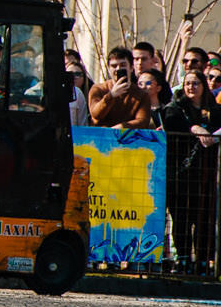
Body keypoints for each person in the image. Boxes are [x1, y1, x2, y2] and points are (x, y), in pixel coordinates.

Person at [159, 69, 221, 272]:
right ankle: (183, 257)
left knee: (203, 218)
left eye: (195, 83)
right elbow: (170, 121)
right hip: (181, 171)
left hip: (207, 172)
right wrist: (193, 128)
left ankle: (203, 259)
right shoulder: (177, 108)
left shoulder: (215, 110)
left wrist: (211, 135)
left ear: (203, 86)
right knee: (181, 217)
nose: (191, 87)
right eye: (187, 83)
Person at [89, 47, 153, 129]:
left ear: (131, 68)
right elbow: (96, 114)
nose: (118, 69)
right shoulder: (98, 89)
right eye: (114, 66)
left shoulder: (141, 94)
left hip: (127, 135)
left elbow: (143, 121)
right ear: (108, 69)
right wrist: (111, 95)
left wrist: (121, 127)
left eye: (123, 65)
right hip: (101, 135)